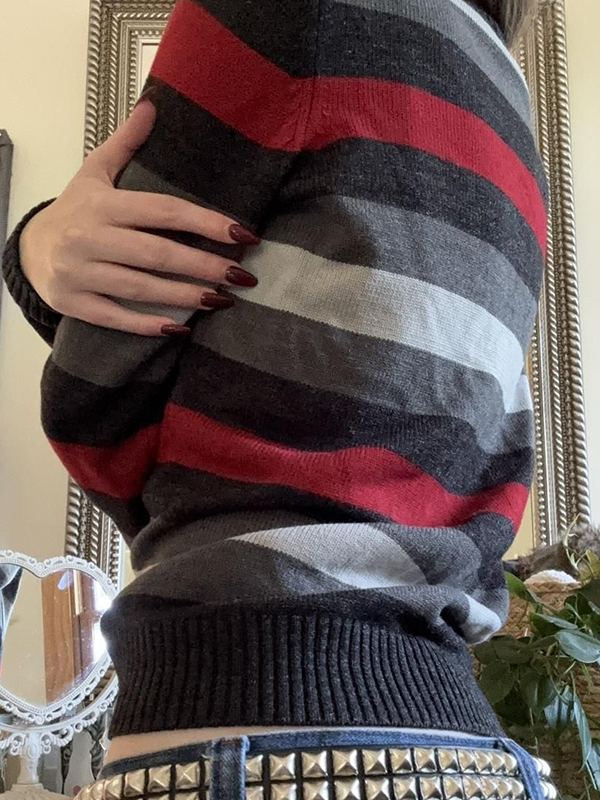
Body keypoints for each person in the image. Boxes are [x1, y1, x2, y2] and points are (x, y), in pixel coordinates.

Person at [2, 0, 555, 798]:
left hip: (245, 720)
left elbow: (98, 387)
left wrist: (30, 249)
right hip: (469, 751)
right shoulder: (506, 91)